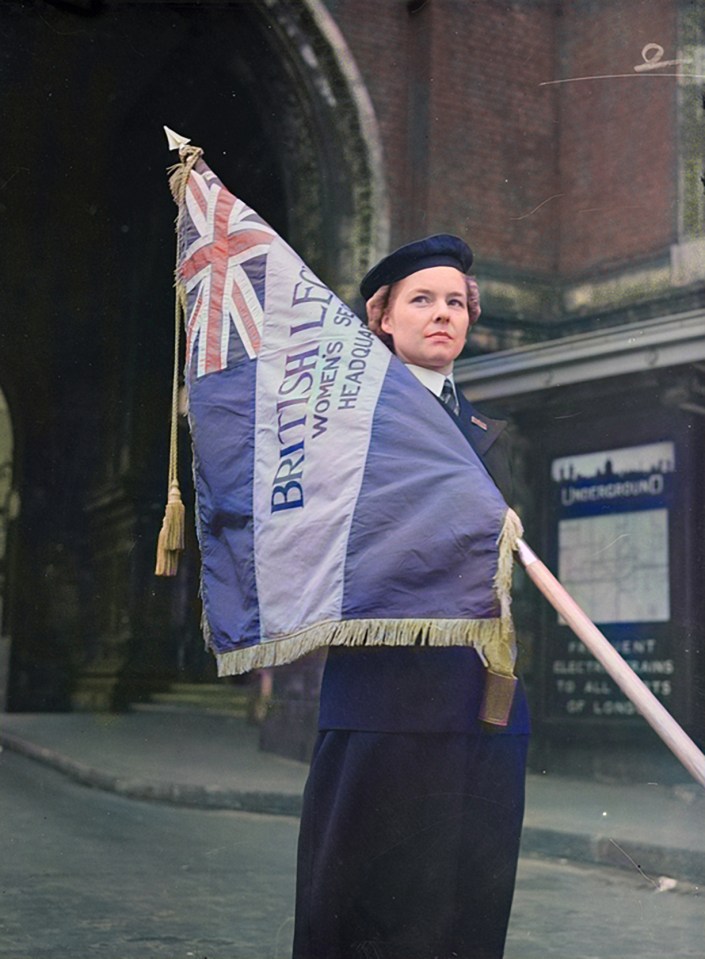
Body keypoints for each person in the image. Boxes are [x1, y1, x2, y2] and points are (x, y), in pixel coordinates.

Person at [292, 235, 530, 959]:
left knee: (467, 911)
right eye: (420, 300)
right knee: (372, 913)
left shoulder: (495, 436)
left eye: (455, 301)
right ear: (381, 319)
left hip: (483, 706)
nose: (441, 315)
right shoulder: (342, 426)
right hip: (384, 703)